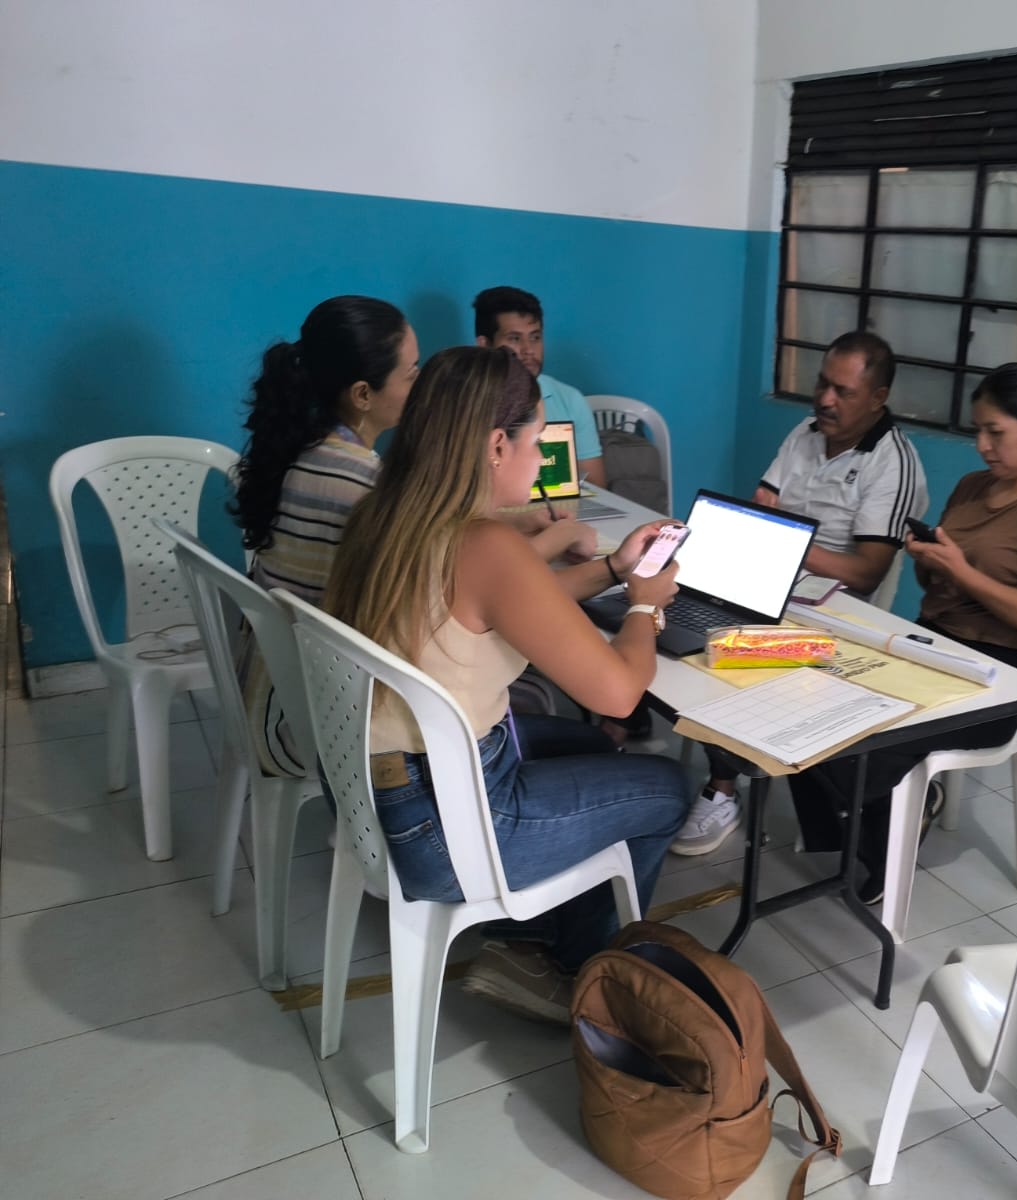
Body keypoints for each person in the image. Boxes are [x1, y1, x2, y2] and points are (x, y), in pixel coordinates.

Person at [324, 345, 691, 1023]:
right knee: (666, 787)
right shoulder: (486, 544)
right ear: (498, 445)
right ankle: (571, 974)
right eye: (539, 440)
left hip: (380, 793)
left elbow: (519, 604)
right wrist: (644, 606)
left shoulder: (388, 515)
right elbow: (619, 693)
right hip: (444, 827)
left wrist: (615, 569)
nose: (544, 457)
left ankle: (538, 934)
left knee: (593, 747)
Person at [785, 362, 1017, 901]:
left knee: (870, 738)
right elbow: (940, 584)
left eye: (995, 432)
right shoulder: (974, 487)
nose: (982, 446)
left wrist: (961, 571)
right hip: (929, 642)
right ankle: (859, 829)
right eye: (978, 431)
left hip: (999, 673)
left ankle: (879, 840)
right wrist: (930, 561)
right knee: (804, 700)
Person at [669, 331, 929, 856]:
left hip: (836, 614)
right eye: (822, 383)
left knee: (729, 650)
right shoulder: (804, 434)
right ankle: (706, 759)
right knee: (680, 616)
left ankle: (722, 789)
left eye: (843, 392)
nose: (825, 400)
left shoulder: (893, 463)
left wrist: (787, 544)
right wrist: (769, 535)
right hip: (774, 581)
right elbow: (762, 503)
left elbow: (866, 572)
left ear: (878, 398)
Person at [231, 295, 419, 774]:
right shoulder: (363, 484)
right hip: (303, 726)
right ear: (362, 394)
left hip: (266, 696)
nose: (419, 385)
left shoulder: (301, 451)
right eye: (411, 373)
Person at [473, 285, 606, 487]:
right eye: (514, 338)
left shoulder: (569, 399)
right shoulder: (465, 401)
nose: (528, 349)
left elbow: (595, 485)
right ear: (485, 345)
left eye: (535, 337)